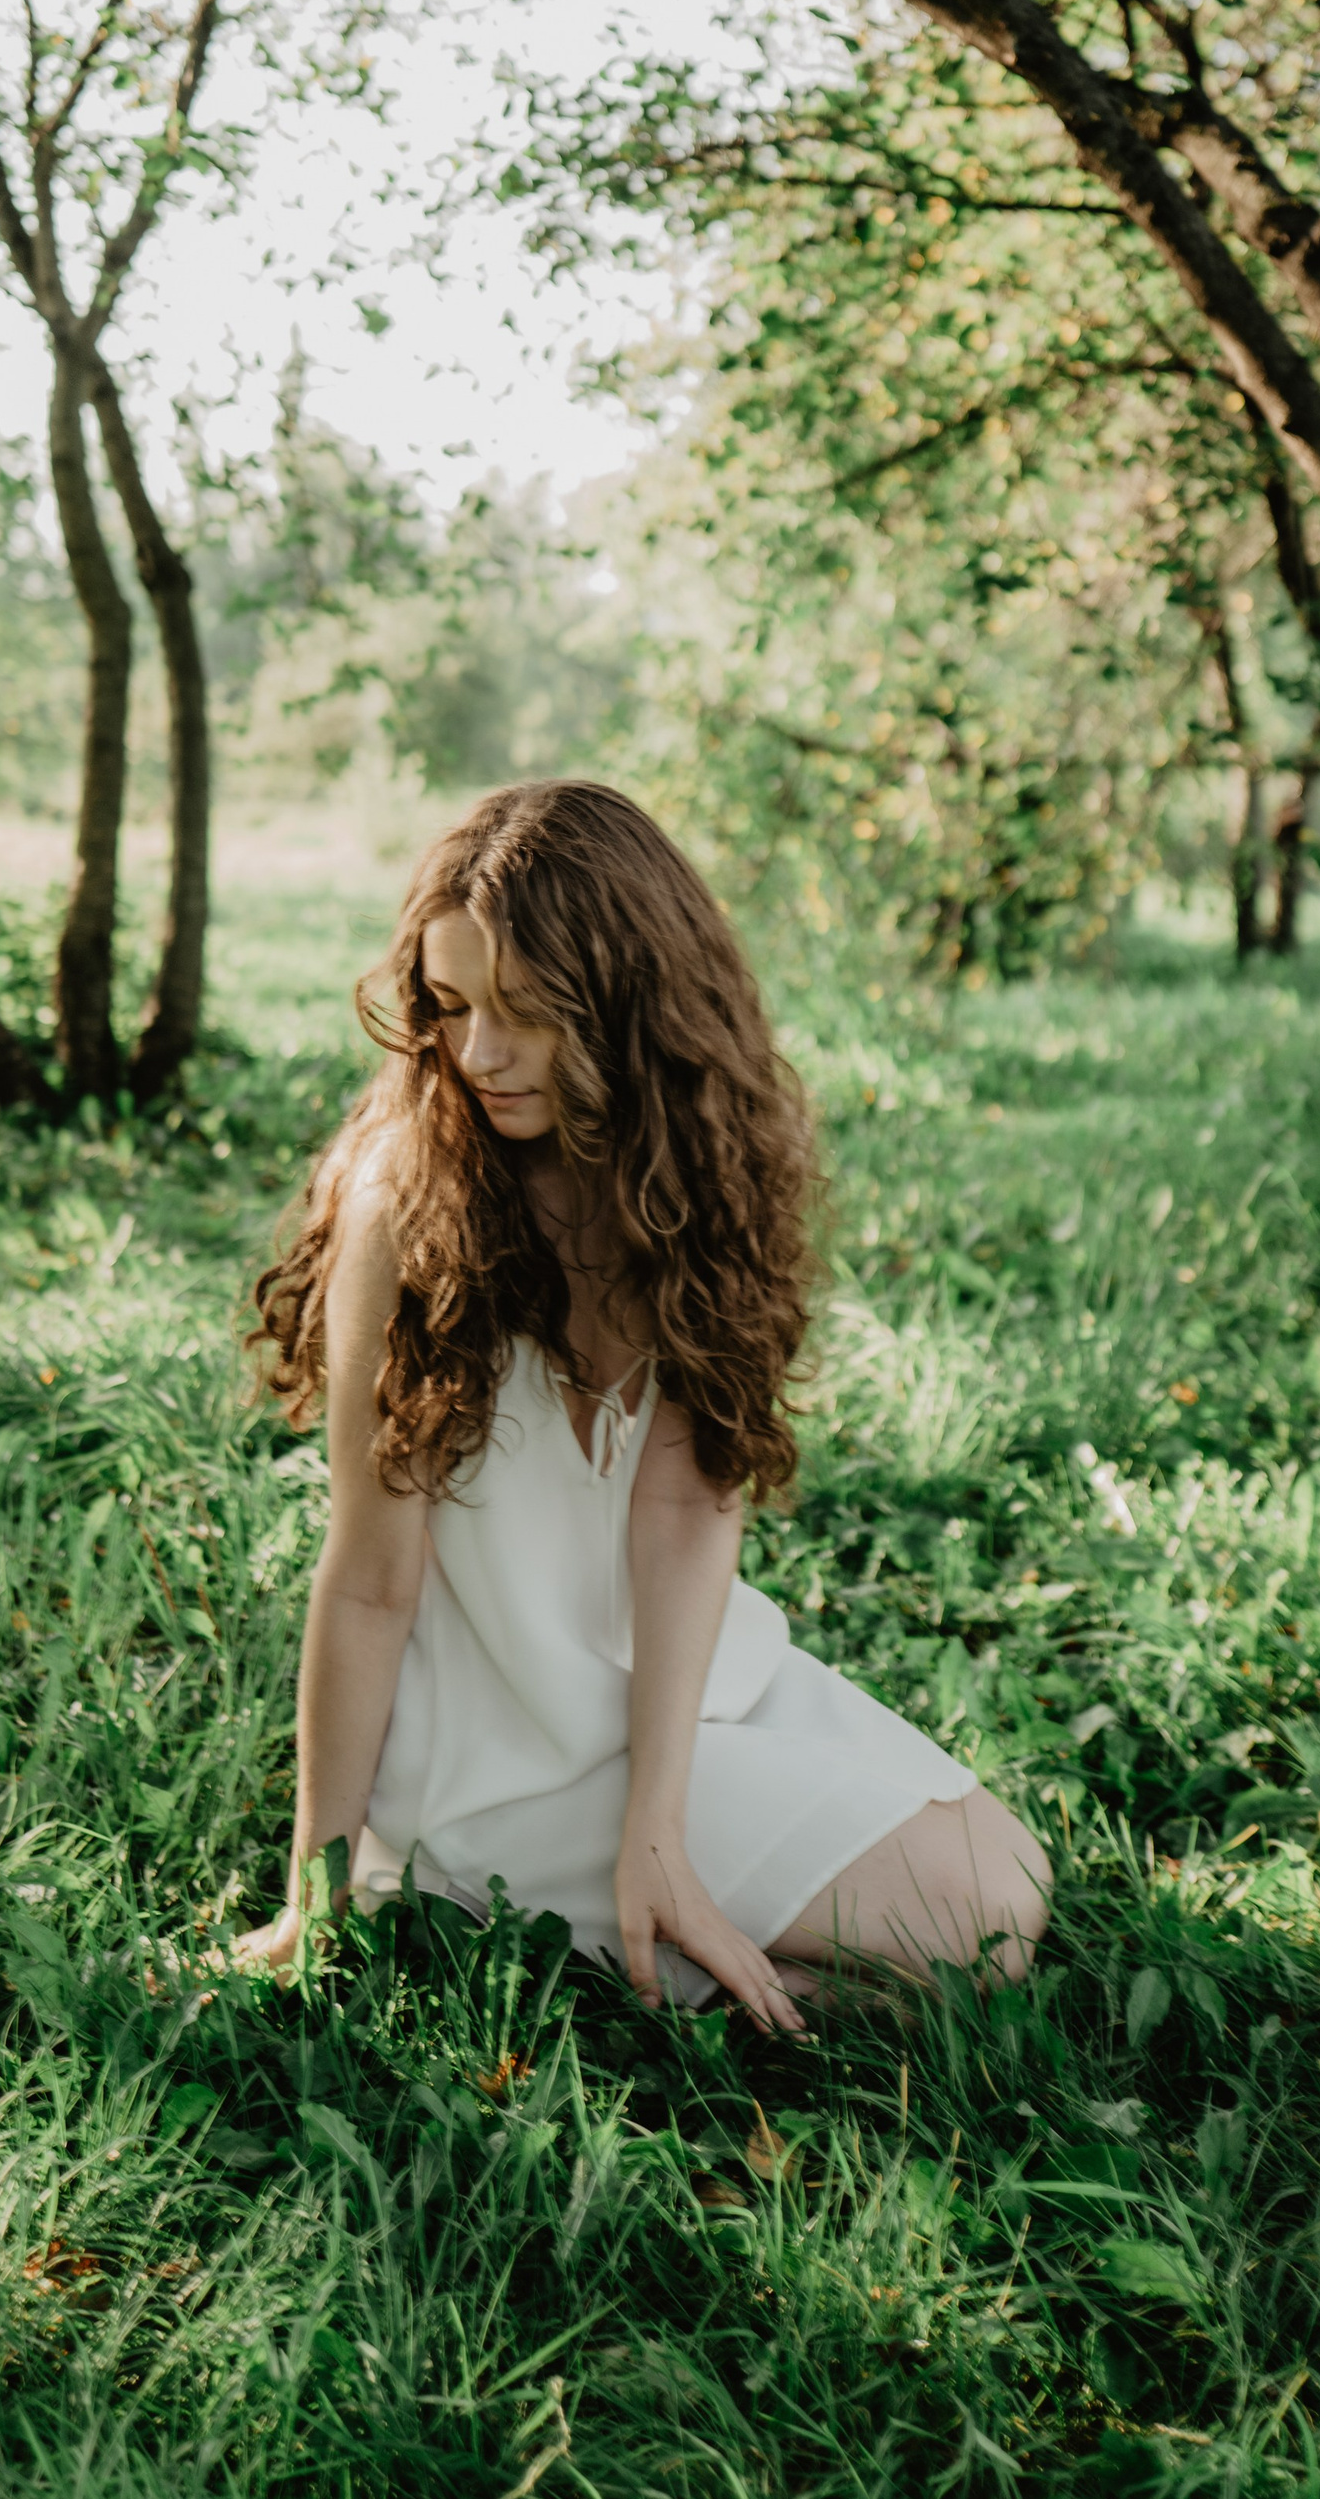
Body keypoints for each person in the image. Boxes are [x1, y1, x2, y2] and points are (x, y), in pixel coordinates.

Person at [239, 779, 1053, 2028]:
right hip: (497, 1739)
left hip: (671, 1687)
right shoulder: (409, 1200)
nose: (479, 1055)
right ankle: (491, 1888)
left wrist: (658, 1821)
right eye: (451, 1007)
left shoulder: (697, 1176)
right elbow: (367, 1581)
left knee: (1006, 1888)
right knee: (960, 1946)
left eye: (526, 1013)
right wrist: (315, 1890)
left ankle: (654, 1927)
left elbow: (686, 1504)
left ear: (633, 1007)